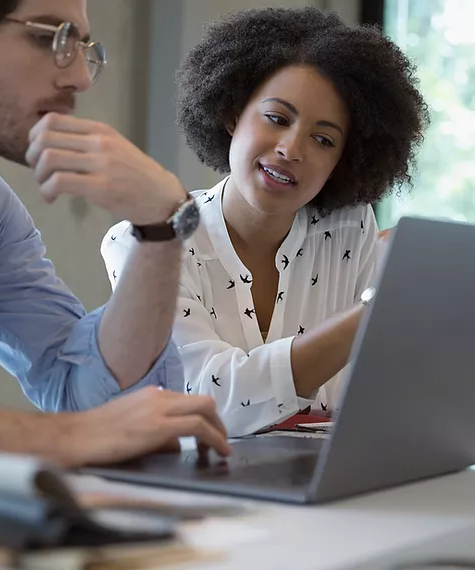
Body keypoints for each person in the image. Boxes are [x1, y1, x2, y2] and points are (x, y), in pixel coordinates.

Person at [0, 0, 231, 464]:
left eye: (81, 46)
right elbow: (86, 427)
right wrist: (64, 437)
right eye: (46, 37)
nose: (79, 77)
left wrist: (163, 225)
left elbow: (84, 393)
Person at [102, 7, 429, 437]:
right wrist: (377, 307)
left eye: (323, 139)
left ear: (343, 161)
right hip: (196, 484)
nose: (292, 149)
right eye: (277, 118)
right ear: (232, 113)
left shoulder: (351, 229)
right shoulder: (145, 240)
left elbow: (382, 393)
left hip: (324, 487)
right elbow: (206, 399)